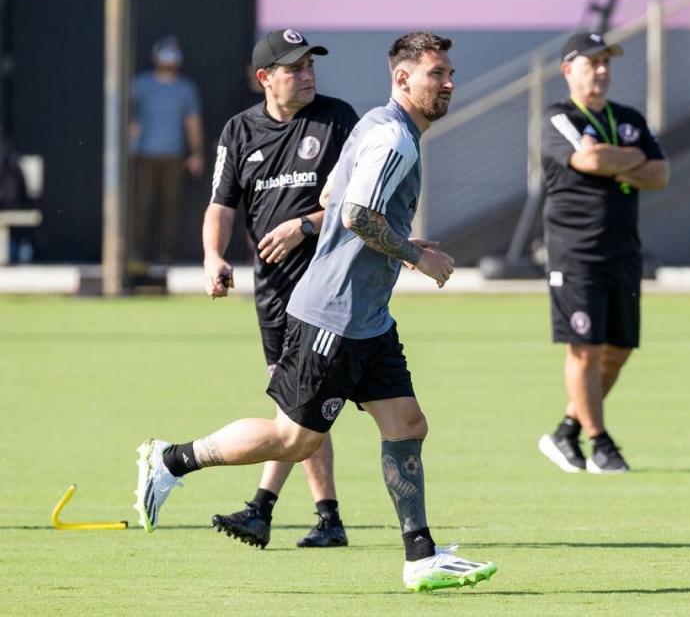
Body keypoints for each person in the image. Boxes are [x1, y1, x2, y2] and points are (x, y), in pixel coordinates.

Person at [135, 31, 497, 592]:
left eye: (450, 72)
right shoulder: (393, 140)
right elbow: (354, 213)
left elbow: (331, 196)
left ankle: (421, 555)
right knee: (294, 440)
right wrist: (412, 257)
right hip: (333, 317)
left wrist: (402, 238)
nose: (449, 83)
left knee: (408, 425)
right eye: (436, 75)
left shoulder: (374, 123)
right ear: (403, 78)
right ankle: (173, 460)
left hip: (368, 319)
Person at [202, 29, 359, 549]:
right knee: (300, 409)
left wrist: (306, 225)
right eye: (295, 68)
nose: (309, 74)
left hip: (331, 287)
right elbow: (221, 205)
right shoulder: (238, 131)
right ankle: (322, 517)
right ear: (265, 78)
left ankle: (267, 508)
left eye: (311, 64)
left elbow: (360, 201)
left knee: (300, 408)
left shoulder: (338, 120)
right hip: (272, 294)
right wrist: (213, 255)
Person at [537, 32, 670, 475]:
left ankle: (567, 429)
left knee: (619, 349)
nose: (601, 70)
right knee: (586, 350)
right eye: (592, 62)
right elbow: (589, 163)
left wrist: (615, 155)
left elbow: (661, 174)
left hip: (623, 252)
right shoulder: (559, 117)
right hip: (576, 254)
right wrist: (631, 159)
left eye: (606, 62)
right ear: (568, 70)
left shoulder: (628, 117)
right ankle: (601, 443)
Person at [130, 36, 204, 265]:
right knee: (141, 205)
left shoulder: (185, 89)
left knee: (170, 207)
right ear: (155, 56)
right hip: (143, 155)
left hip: (174, 155)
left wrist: (196, 153)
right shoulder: (140, 85)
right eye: (166, 53)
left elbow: (192, 122)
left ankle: (165, 255)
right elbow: (126, 116)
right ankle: (135, 254)